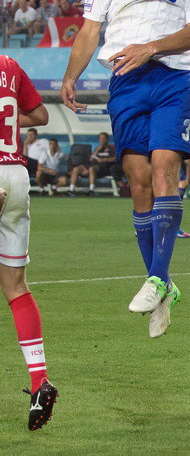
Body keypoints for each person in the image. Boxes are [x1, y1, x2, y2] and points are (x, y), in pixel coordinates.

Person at [60, 0, 190, 339]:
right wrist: (71, 76)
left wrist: (151, 47)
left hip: (172, 78)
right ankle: (164, 285)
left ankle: (155, 278)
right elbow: (91, 29)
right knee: (138, 180)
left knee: (166, 167)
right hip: (125, 82)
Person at [0, 55, 58, 429]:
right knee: (16, 286)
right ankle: (40, 382)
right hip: (16, 175)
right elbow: (40, 116)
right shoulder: (9, 64)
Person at [67, 132, 118, 196]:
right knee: (77, 168)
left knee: (92, 168)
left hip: (104, 167)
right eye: (100, 138)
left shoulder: (112, 148)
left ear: (107, 139)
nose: (102, 140)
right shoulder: (98, 148)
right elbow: (91, 159)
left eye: (103, 138)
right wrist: (97, 151)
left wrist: (104, 160)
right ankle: (71, 190)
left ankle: (91, 190)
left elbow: (116, 158)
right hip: (93, 166)